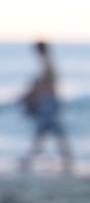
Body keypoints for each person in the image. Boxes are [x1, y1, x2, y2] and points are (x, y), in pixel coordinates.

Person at [19, 41, 73, 173]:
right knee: (48, 133)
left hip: (48, 103)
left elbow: (47, 85)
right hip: (48, 102)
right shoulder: (47, 63)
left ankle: (30, 160)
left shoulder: (47, 63)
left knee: (47, 132)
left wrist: (33, 95)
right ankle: (66, 159)